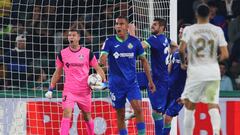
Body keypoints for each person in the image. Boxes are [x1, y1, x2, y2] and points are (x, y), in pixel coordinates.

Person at [99, 16, 155, 135]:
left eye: (121, 24)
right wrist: (102, 60)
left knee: (139, 109)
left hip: (131, 83)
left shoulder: (135, 42)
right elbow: (102, 57)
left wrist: (150, 81)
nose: (118, 26)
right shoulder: (109, 42)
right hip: (116, 84)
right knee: (120, 114)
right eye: (117, 24)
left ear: (127, 27)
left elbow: (144, 61)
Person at [179, 4, 229, 135]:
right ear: (209, 15)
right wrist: (213, 60)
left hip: (196, 72)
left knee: (190, 106)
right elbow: (225, 54)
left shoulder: (189, 29)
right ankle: (216, 132)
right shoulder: (217, 30)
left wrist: (183, 62)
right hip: (213, 72)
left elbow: (181, 49)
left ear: (196, 15)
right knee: (212, 105)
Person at [45, 28, 106, 135]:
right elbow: (57, 72)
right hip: (69, 91)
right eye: (69, 35)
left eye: (73, 35)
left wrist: (104, 81)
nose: (71, 37)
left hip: (84, 91)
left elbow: (98, 68)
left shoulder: (87, 53)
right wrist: (51, 88)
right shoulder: (62, 54)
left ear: (78, 38)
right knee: (67, 113)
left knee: (87, 116)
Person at [140, 18, 176, 135]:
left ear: (162, 28)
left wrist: (131, 40)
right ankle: (134, 110)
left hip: (159, 82)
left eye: (155, 25)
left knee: (157, 113)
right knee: (131, 79)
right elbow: (174, 44)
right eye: (152, 24)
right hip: (157, 77)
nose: (152, 26)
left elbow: (141, 47)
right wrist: (176, 54)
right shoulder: (165, 39)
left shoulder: (154, 39)